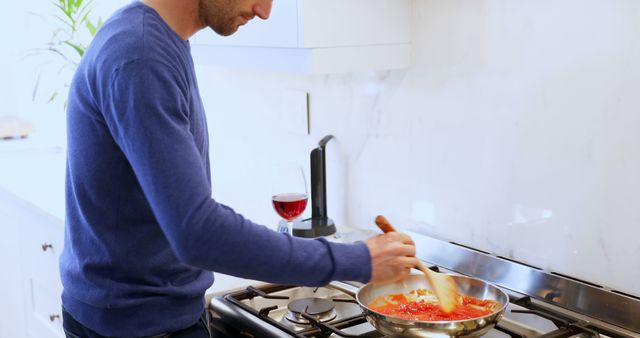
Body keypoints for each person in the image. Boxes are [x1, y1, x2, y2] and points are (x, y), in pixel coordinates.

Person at [59, 0, 420, 337]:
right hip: (133, 326)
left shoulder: (158, 40)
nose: (264, 11)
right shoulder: (141, 54)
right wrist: (359, 259)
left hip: (149, 315)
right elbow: (198, 233)